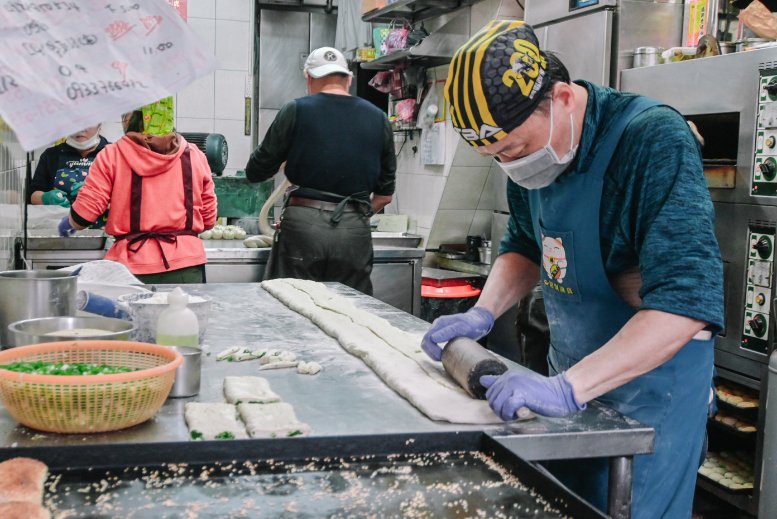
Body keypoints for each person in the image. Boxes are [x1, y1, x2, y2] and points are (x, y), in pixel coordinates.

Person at [421, 20, 723, 518]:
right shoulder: (528, 159)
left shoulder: (650, 139)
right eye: (494, 156)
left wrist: (568, 389)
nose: (511, 164)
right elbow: (525, 244)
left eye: (514, 149)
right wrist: (483, 312)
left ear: (561, 97)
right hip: (572, 391)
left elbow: (686, 301)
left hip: (650, 396)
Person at [244, 46, 396, 295]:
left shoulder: (295, 109)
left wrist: (285, 160)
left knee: (293, 307)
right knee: (351, 313)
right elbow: (384, 196)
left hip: (304, 226)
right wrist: (350, 217)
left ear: (309, 78)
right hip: (353, 231)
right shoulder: (379, 118)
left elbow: (256, 171)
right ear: (349, 79)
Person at [58, 97, 217, 284]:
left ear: (130, 117)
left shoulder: (112, 155)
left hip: (131, 267)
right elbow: (209, 219)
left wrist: (68, 224)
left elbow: (84, 215)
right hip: (187, 265)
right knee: (181, 313)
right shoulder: (195, 155)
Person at [28, 125, 110, 226]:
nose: (80, 129)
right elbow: (33, 195)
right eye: (75, 122)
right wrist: (46, 198)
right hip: (61, 231)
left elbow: (127, 200)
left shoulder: (113, 153)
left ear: (99, 123)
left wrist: (96, 196)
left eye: (87, 123)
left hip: (104, 233)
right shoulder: (51, 155)